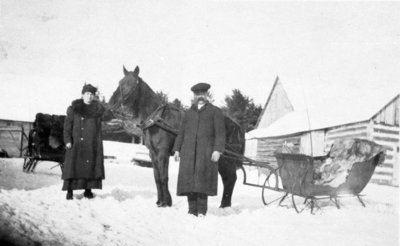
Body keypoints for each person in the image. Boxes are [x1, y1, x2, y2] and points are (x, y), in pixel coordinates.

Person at [173, 82, 225, 216]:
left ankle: (201, 211)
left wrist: (217, 150)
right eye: (197, 94)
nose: (200, 96)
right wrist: (177, 149)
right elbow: (181, 133)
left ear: (207, 94)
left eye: (203, 93)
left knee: (202, 181)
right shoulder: (188, 113)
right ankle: (191, 210)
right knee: (189, 181)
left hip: (206, 153)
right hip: (189, 152)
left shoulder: (215, 112)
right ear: (194, 96)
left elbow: (220, 133)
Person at [62, 84, 106, 200]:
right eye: (87, 94)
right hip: (76, 143)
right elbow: (67, 126)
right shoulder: (74, 109)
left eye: (91, 94)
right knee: (72, 168)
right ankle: (69, 191)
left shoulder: (97, 110)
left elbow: (106, 119)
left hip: (91, 144)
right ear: (82, 95)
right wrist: (67, 140)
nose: (89, 96)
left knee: (89, 167)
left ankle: (88, 190)